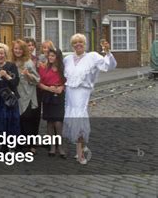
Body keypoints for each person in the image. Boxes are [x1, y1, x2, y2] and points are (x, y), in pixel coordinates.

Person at [63, 34, 116, 165]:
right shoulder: (67, 59)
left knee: (79, 120)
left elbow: (109, 66)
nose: (78, 45)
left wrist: (108, 51)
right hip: (70, 92)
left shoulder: (92, 57)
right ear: (72, 45)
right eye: (75, 43)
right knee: (71, 120)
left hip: (82, 92)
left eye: (80, 42)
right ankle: (79, 147)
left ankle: (80, 153)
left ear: (84, 44)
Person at [0, 43, 20, 151]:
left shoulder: (11, 66)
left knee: (10, 122)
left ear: (5, 54)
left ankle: (11, 145)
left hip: (9, 99)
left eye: (1, 53)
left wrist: (6, 75)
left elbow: (15, 83)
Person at [12, 39, 40, 154]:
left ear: (23, 50)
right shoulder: (12, 62)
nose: (17, 51)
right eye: (15, 49)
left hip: (27, 96)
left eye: (19, 49)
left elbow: (37, 80)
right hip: (16, 96)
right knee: (18, 121)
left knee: (27, 120)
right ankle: (20, 144)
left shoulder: (28, 62)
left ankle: (30, 145)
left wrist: (28, 75)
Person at [37, 48, 66, 158]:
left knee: (58, 122)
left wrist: (61, 87)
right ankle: (52, 146)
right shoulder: (44, 68)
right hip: (48, 95)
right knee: (50, 122)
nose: (50, 58)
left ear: (58, 57)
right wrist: (49, 89)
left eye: (53, 56)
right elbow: (39, 83)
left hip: (59, 96)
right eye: (49, 56)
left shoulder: (62, 69)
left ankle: (60, 145)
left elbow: (68, 81)